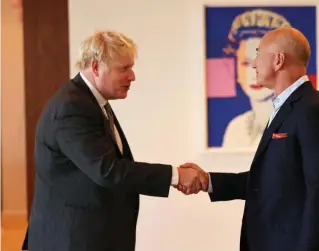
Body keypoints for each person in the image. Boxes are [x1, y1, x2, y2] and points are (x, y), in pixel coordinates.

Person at [21, 30, 207, 251]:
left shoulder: (92, 102)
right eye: (124, 69)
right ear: (96, 67)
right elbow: (108, 171)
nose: (132, 76)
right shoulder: (72, 108)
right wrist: (176, 175)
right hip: (72, 241)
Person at [179, 27, 319, 251]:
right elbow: (270, 180)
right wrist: (208, 181)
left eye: (258, 54)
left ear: (278, 60)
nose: (254, 64)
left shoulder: (314, 110)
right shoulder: (285, 107)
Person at [220, 9, 291, 149]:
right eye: (246, 63)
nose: (254, 74)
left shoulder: (295, 124)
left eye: (263, 62)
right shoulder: (236, 129)